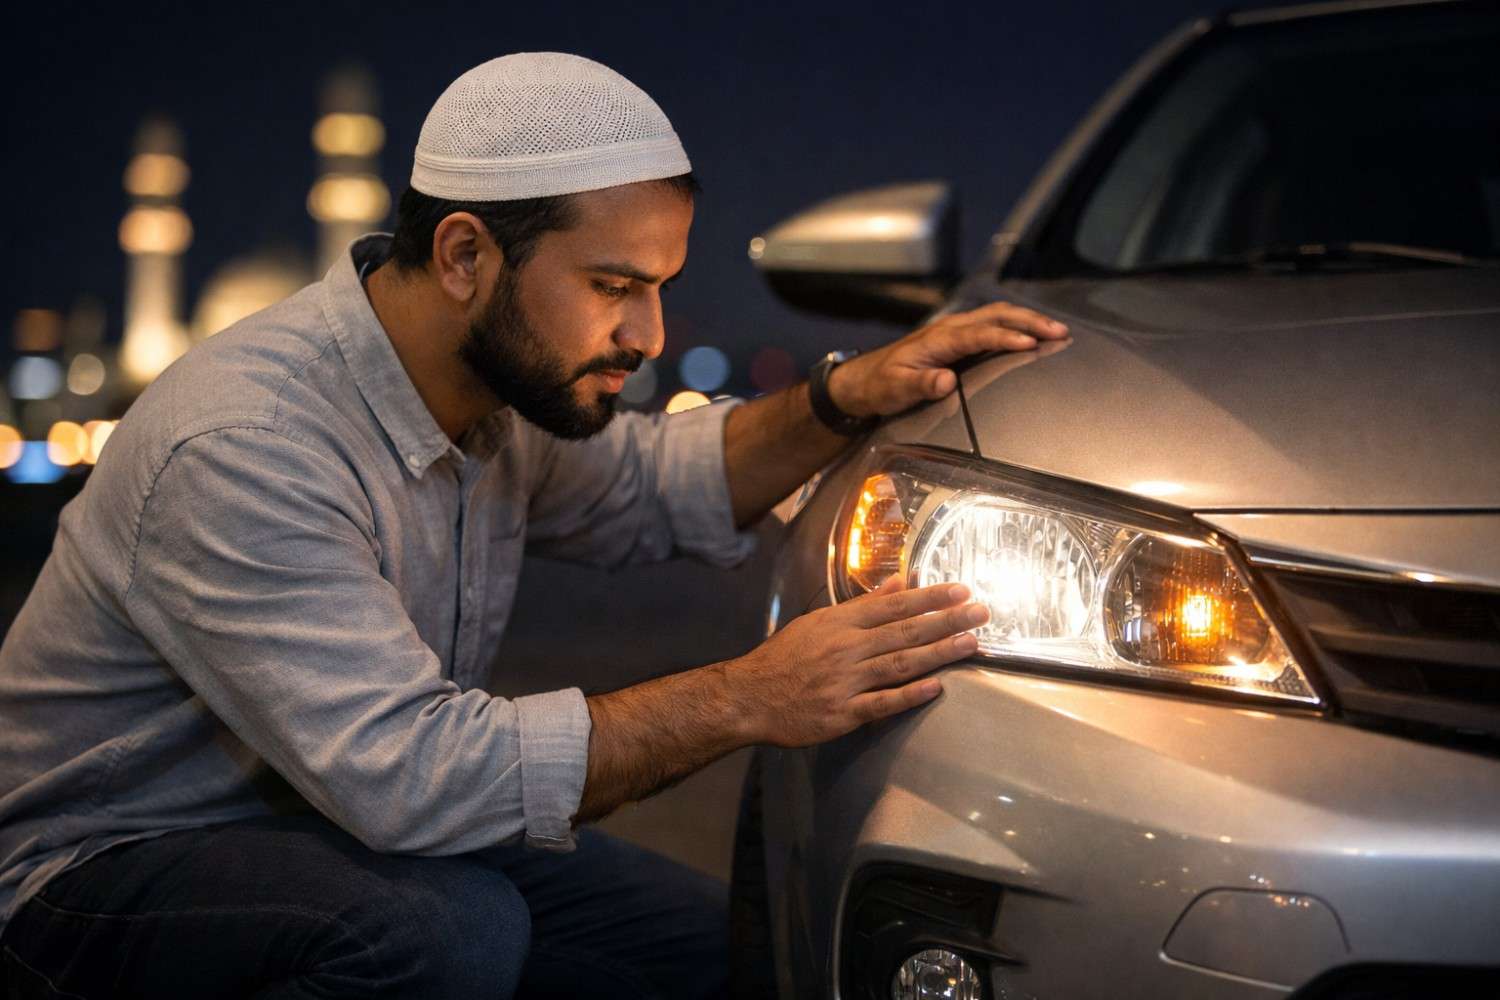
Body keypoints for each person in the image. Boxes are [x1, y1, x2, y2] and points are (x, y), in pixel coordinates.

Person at [0, 53, 1067, 998]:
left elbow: (659, 482)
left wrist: (844, 397)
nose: (647, 333)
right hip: (94, 873)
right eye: (614, 284)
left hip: (329, 823)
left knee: (718, 950)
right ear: (466, 255)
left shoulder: (491, 400)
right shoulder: (252, 440)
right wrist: (753, 694)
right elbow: (408, 777)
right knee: (446, 932)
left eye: (660, 288)